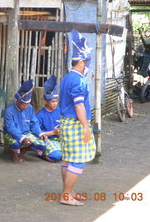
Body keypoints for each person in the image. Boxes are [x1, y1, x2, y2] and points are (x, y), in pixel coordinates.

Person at [59, 30, 96, 206]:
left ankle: (69, 192)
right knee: (78, 160)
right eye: (86, 61)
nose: (87, 64)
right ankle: (66, 195)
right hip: (75, 124)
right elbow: (79, 105)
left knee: (67, 158)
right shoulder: (78, 80)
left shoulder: (67, 78)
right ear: (81, 61)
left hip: (66, 123)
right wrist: (86, 127)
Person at [3, 79, 47, 163]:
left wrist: (40, 133)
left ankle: (22, 153)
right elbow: (11, 128)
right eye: (24, 104)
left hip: (26, 133)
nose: (26, 106)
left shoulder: (30, 108)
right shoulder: (9, 111)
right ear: (18, 102)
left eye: (27, 104)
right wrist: (22, 138)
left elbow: (34, 123)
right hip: (12, 134)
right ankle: (14, 154)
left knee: (41, 143)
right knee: (15, 143)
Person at [36, 75, 62, 162]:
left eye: (56, 101)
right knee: (57, 156)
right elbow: (36, 133)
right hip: (48, 141)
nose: (55, 104)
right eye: (52, 101)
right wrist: (53, 132)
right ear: (46, 101)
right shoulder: (40, 115)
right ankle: (43, 154)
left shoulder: (60, 111)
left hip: (61, 139)